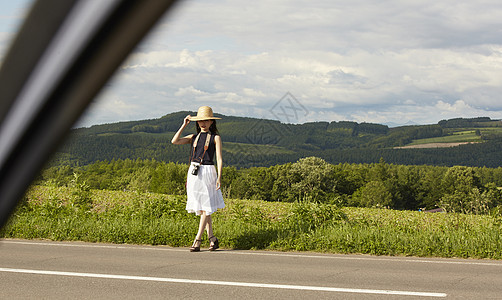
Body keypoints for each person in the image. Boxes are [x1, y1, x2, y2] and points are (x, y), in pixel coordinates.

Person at [171, 106, 225, 252]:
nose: (203, 123)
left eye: (206, 121)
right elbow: (174, 141)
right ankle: (212, 239)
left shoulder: (215, 138)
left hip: (208, 171)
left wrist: (219, 176)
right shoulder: (193, 137)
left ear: (211, 122)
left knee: (205, 207)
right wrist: (184, 124)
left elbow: (219, 159)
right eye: (201, 121)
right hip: (194, 171)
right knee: (203, 208)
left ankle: (198, 239)